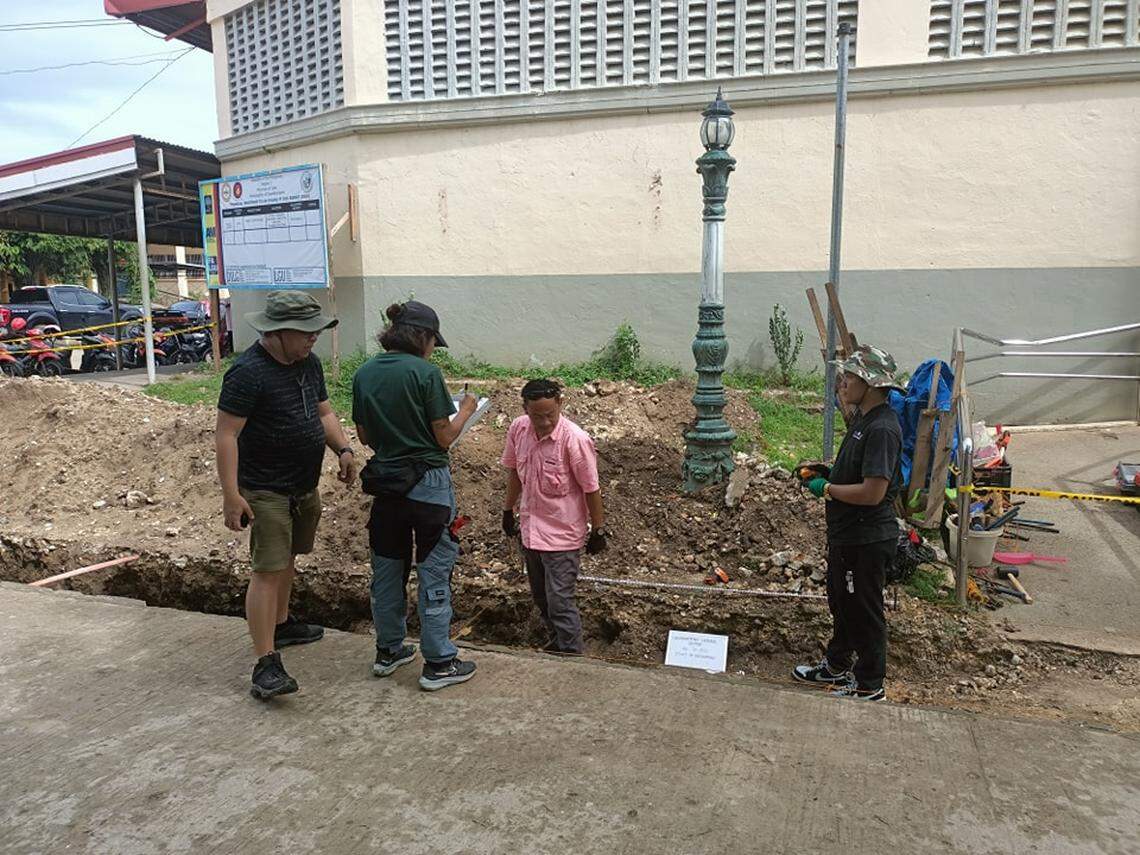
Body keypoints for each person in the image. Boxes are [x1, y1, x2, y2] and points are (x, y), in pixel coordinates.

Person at [215, 290, 357, 701]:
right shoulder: (247, 373)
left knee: (289, 556)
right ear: (278, 332)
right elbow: (227, 435)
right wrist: (231, 494)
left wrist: (343, 448)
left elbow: (324, 411)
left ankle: (281, 623)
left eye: (316, 330)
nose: (314, 338)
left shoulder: (308, 363)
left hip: (302, 485)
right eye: (306, 331)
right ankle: (265, 663)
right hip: (265, 488)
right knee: (267, 568)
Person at [352, 301, 479, 691]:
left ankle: (388, 650)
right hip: (429, 485)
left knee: (387, 568)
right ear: (422, 337)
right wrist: (467, 409)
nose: (433, 349)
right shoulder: (426, 373)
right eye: (433, 342)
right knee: (434, 569)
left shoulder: (364, 373)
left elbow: (365, 436)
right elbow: (443, 436)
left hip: (386, 485)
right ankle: (439, 662)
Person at [793, 345, 904, 702]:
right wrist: (829, 474)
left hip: (866, 539)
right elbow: (858, 473)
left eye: (850, 377)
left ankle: (870, 684)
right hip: (848, 535)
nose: (842, 383)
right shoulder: (863, 420)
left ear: (870, 384)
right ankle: (837, 665)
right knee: (843, 603)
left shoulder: (882, 428)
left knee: (863, 610)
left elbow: (873, 492)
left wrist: (827, 489)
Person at [501, 379, 607, 655]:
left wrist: (598, 530)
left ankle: (571, 655)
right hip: (531, 533)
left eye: (550, 414)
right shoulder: (519, 429)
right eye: (537, 416)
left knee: (560, 601)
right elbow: (514, 473)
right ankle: (556, 644)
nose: (545, 422)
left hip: (562, 536)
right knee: (541, 598)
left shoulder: (575, 440)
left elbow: (591, 488)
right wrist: (508, 510)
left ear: (560, 404)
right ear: (525, 409)